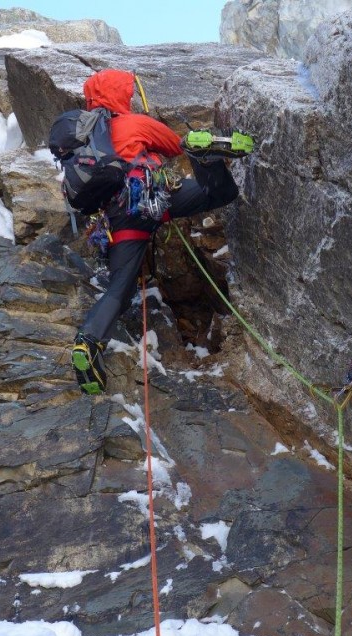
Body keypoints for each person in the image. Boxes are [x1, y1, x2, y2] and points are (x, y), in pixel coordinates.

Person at [71, 68, 254, 395]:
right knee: (220, 193)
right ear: (122, 96)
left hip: (118, 220)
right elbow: (172, 146)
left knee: (120, 288)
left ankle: (87, 342)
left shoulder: (83, 138)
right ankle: (207, 160)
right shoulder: (133, 123)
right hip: (151, 202)